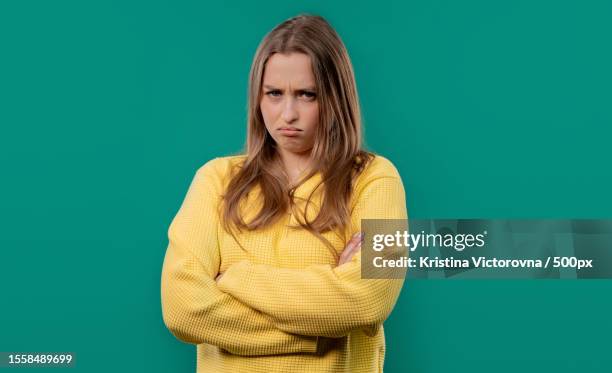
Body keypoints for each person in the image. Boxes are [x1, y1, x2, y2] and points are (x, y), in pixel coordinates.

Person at [161, 14, 408, 373]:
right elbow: (183, 308)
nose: (288, 114)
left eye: (307, 95)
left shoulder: (375, 179)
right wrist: (321, 332)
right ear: (257, 97)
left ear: (335, 97)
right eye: (274, 94)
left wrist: (236, 278)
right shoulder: (215, 179)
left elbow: (367, 300)